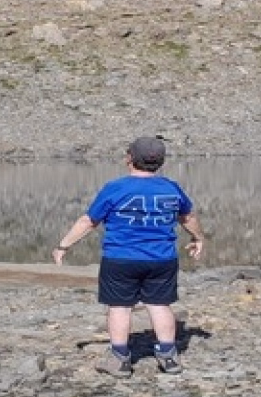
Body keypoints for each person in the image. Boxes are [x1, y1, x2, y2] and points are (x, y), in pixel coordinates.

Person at [53, 135, 206, 376]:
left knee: (120, 307)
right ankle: (168, 356)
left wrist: (64, 245)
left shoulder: (115, 188)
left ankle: (120, 359)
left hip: (120, 258)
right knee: (159, 305)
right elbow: (188, 217)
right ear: (160, 162)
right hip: (161, 258)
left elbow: (89, 221)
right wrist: (198, 238)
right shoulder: (171, 188)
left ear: (129, 159)